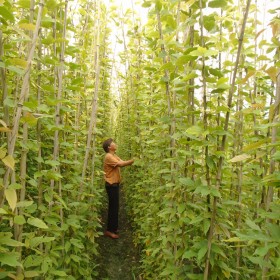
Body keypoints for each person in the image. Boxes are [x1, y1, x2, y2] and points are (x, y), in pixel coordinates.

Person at [102, 138, 134, 239]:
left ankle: (113, 228)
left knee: (115, 207)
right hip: (111, 185)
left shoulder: (113, 155)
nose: (115, 144)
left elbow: (122, 161)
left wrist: (130, 161)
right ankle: (109, 230)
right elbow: (122, 164)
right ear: (109, 147)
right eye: (113, 143)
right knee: (113, 208)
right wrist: (134, 160)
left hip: (114, 185)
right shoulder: (108, 156)